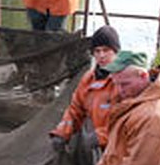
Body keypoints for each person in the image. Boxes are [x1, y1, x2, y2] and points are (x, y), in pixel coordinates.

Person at [49, 25, 122, 153]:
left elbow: (127, 123)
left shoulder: (124, 81)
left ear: (116, 52)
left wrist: (100, 137)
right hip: (98, 146)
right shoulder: (88, 79)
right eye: (97, 51)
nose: (101, 55)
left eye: (106, 50)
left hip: (119, 147)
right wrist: (61, 133)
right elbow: (75, 110)